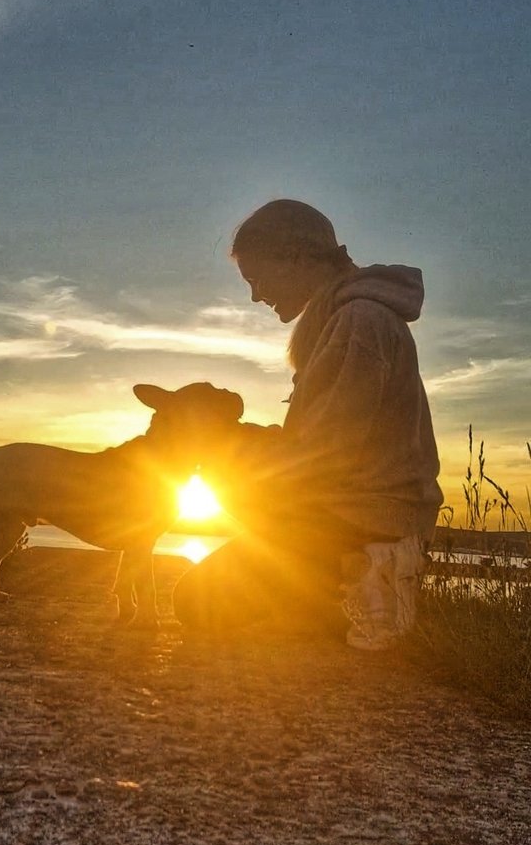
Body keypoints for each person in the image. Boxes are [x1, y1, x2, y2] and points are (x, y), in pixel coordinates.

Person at [172, 198, 443, 637]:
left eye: (256, 278)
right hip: (353, 512)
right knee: (208, 594)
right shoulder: (343, 318)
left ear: (295, 257)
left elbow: (327, 456)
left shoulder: (359, 320)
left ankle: (370, 569)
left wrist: (230, 443)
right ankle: (335, 589)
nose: (255, 295)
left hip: (364, 519)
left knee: (196, 601)